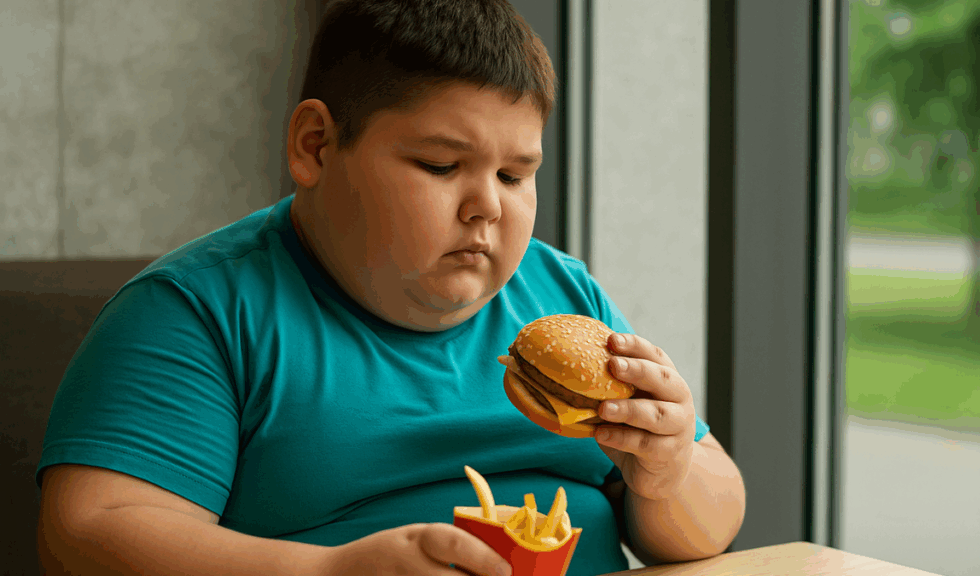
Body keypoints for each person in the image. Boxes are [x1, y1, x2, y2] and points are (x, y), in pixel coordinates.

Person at [35, 1, 746, 575]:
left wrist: (670, 471)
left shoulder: (562, 293)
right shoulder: (197, 311)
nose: (488, 207)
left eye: (514, 175)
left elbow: (704, 531)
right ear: (316, 147)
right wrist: (328, 573)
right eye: (441, 165)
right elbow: (86, 537)